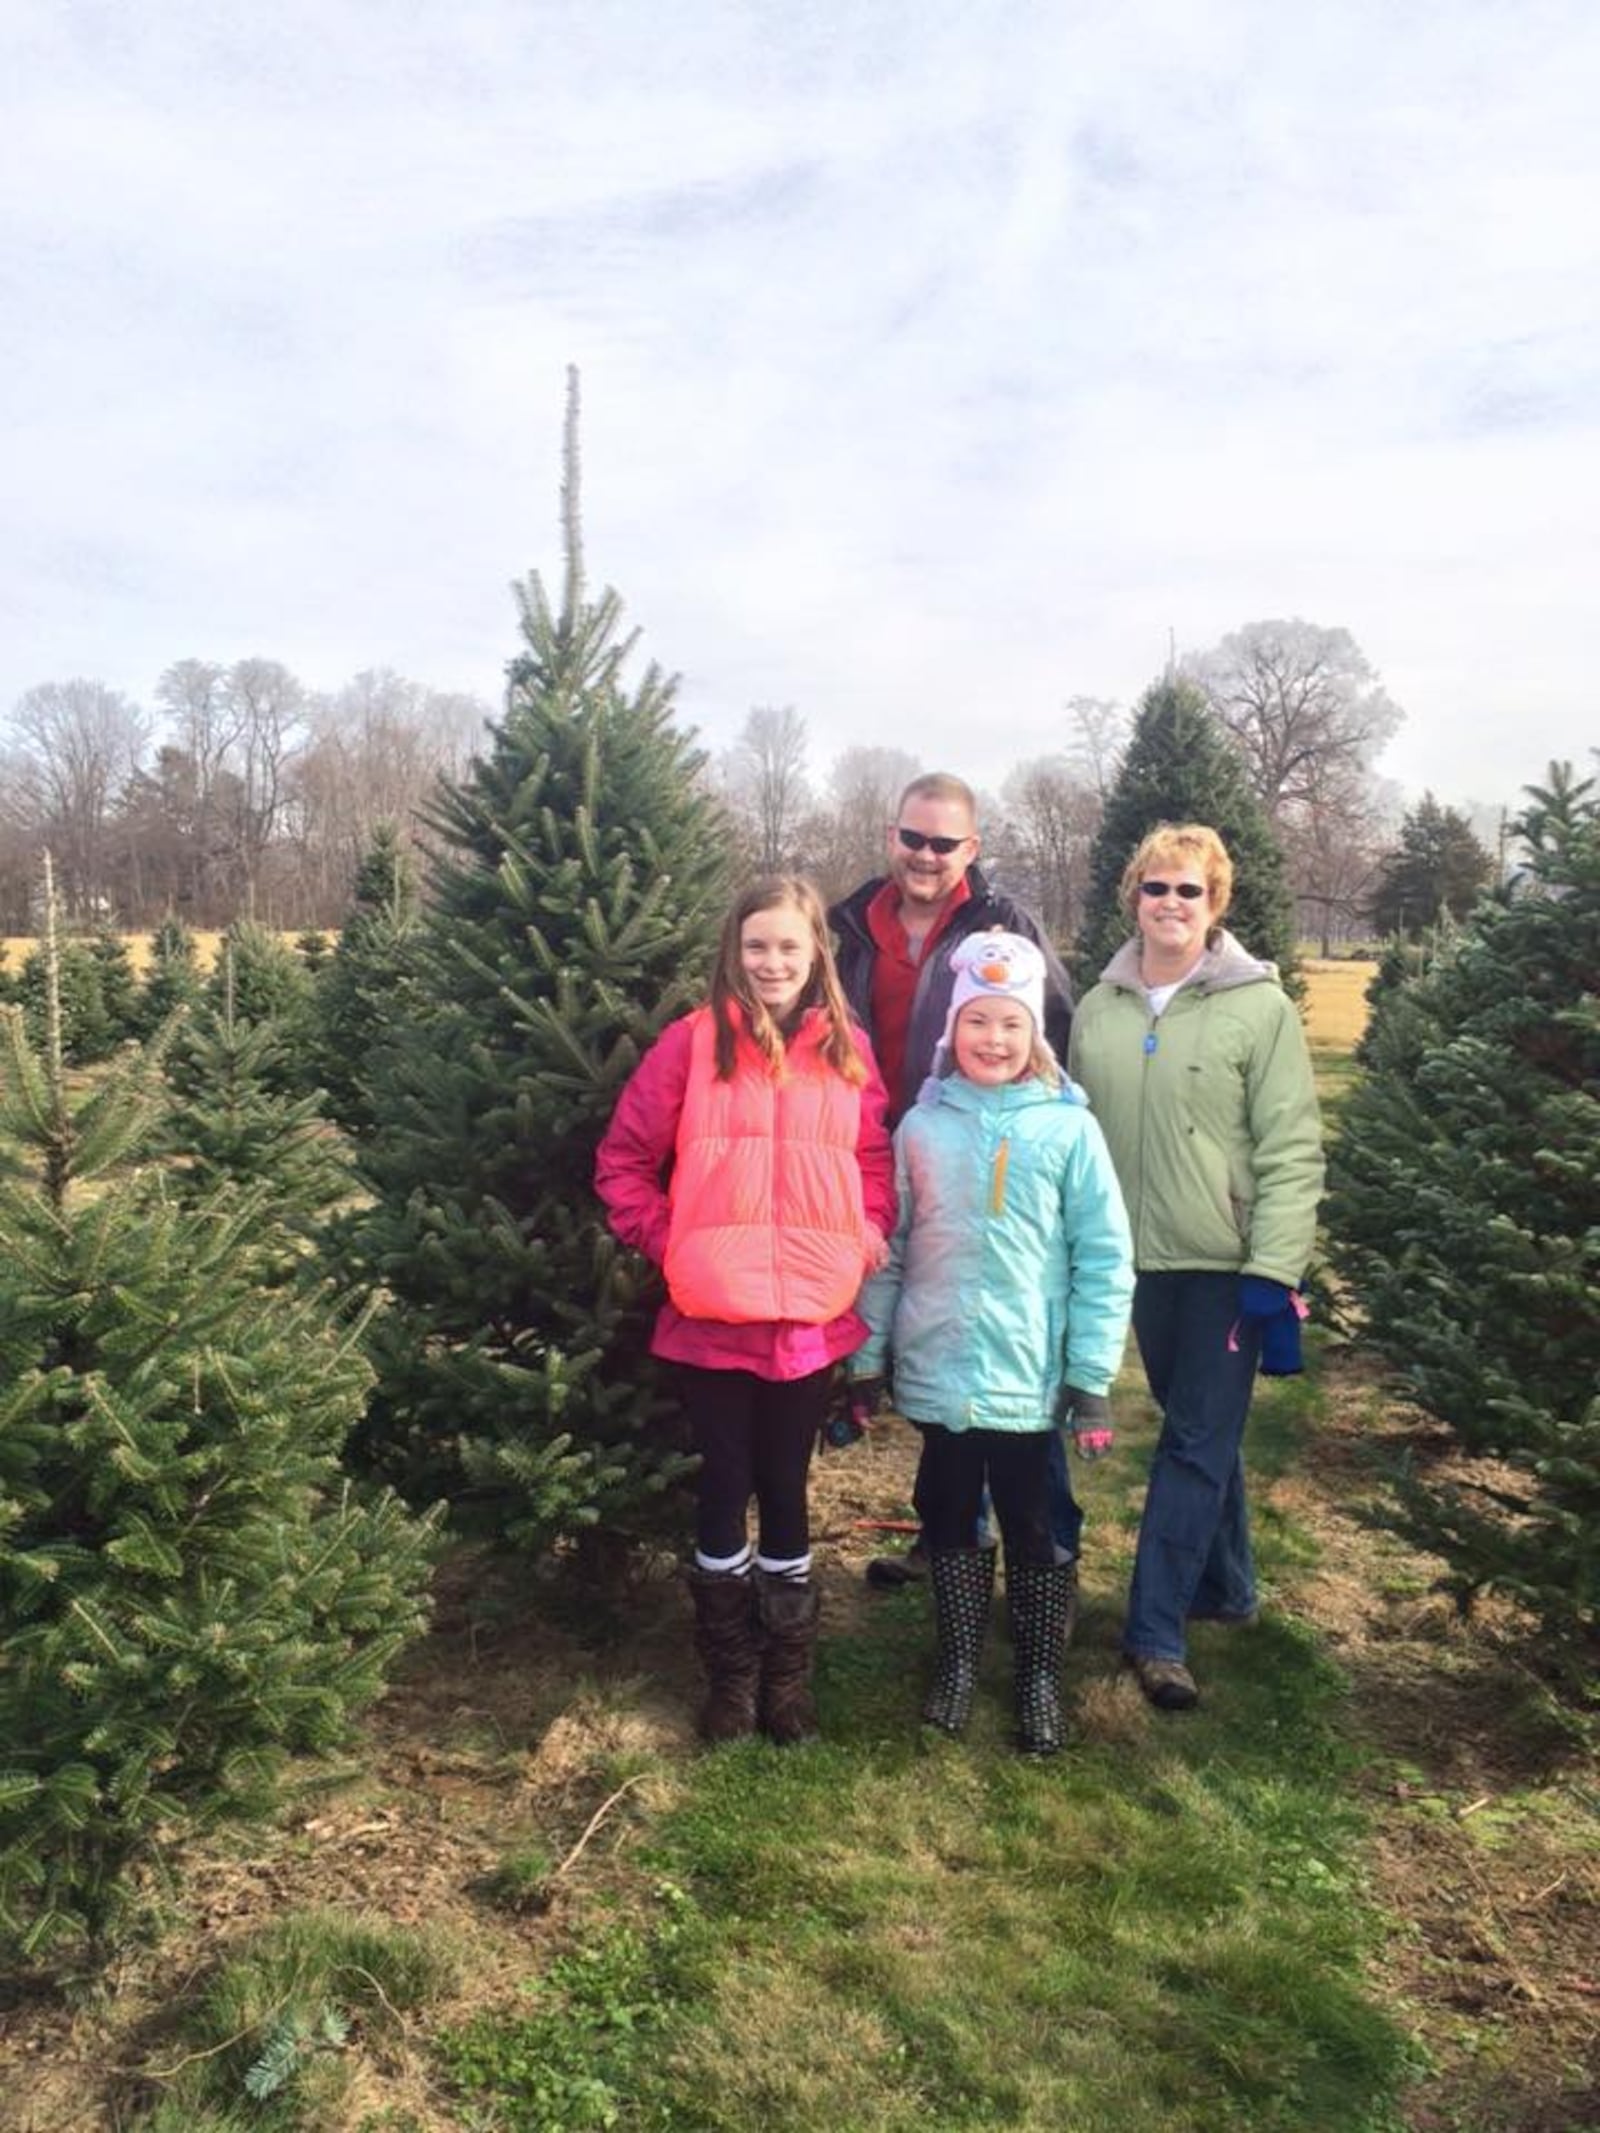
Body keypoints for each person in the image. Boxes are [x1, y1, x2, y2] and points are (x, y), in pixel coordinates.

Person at [595, 875, 895, 1747]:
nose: (772, 962)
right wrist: (673, 1241)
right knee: (724, 1488)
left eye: (788, 947)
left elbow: (874, 1158)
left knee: (788, 1488)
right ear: (735, 951)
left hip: (806, 1319)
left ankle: (785, 1675)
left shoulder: (848, 1049)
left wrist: (868, 1226)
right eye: (757, 946)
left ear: (815, 957)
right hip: (712, 1317)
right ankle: (728, 1677)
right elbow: (621, 1161)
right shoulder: (690, 1045)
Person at [849, 933, 1133, 1754]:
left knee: (1035, 1522)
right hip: (942, 1370)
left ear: (1034, 1033)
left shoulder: (1068, 1132)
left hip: (1031, 1380)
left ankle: (1040, 1673)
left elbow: (1104, 1255)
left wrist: (1089, 1375)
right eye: (978, 1023)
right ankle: (959, 1658)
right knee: (945, 1512)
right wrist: (868, 1360)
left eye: (1011, 1025)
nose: (994, 1041)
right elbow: (892, 1248)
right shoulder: (922, 1129)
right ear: (953, 1030)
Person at [1068, 823, 1324, 1713]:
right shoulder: (1099, 1006)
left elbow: (1293, 1146)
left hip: (1226, 1263)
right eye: (1155, 888)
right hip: (1133, 1264)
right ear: (1132, 896)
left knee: (1192, 1443)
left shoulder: (1260, 1007)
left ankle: (1156, 1632)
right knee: (1197, 1425)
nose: (1170, 905)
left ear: (1215, 904)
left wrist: (1275, 1264)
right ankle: (1230, 1587)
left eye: (1189, 891)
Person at [829, 773, 1077, 1587]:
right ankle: (947, 1537)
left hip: (977, 1150)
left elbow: (1055, 1030)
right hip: (881, 1153)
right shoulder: (845, 927)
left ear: (971, 848)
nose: (925, 856)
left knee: (1004, 1342)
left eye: (944, 843)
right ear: (890, 835)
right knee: (933, 1332)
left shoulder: (1005, 926)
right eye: (912, 837)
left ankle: (1046, 1541)